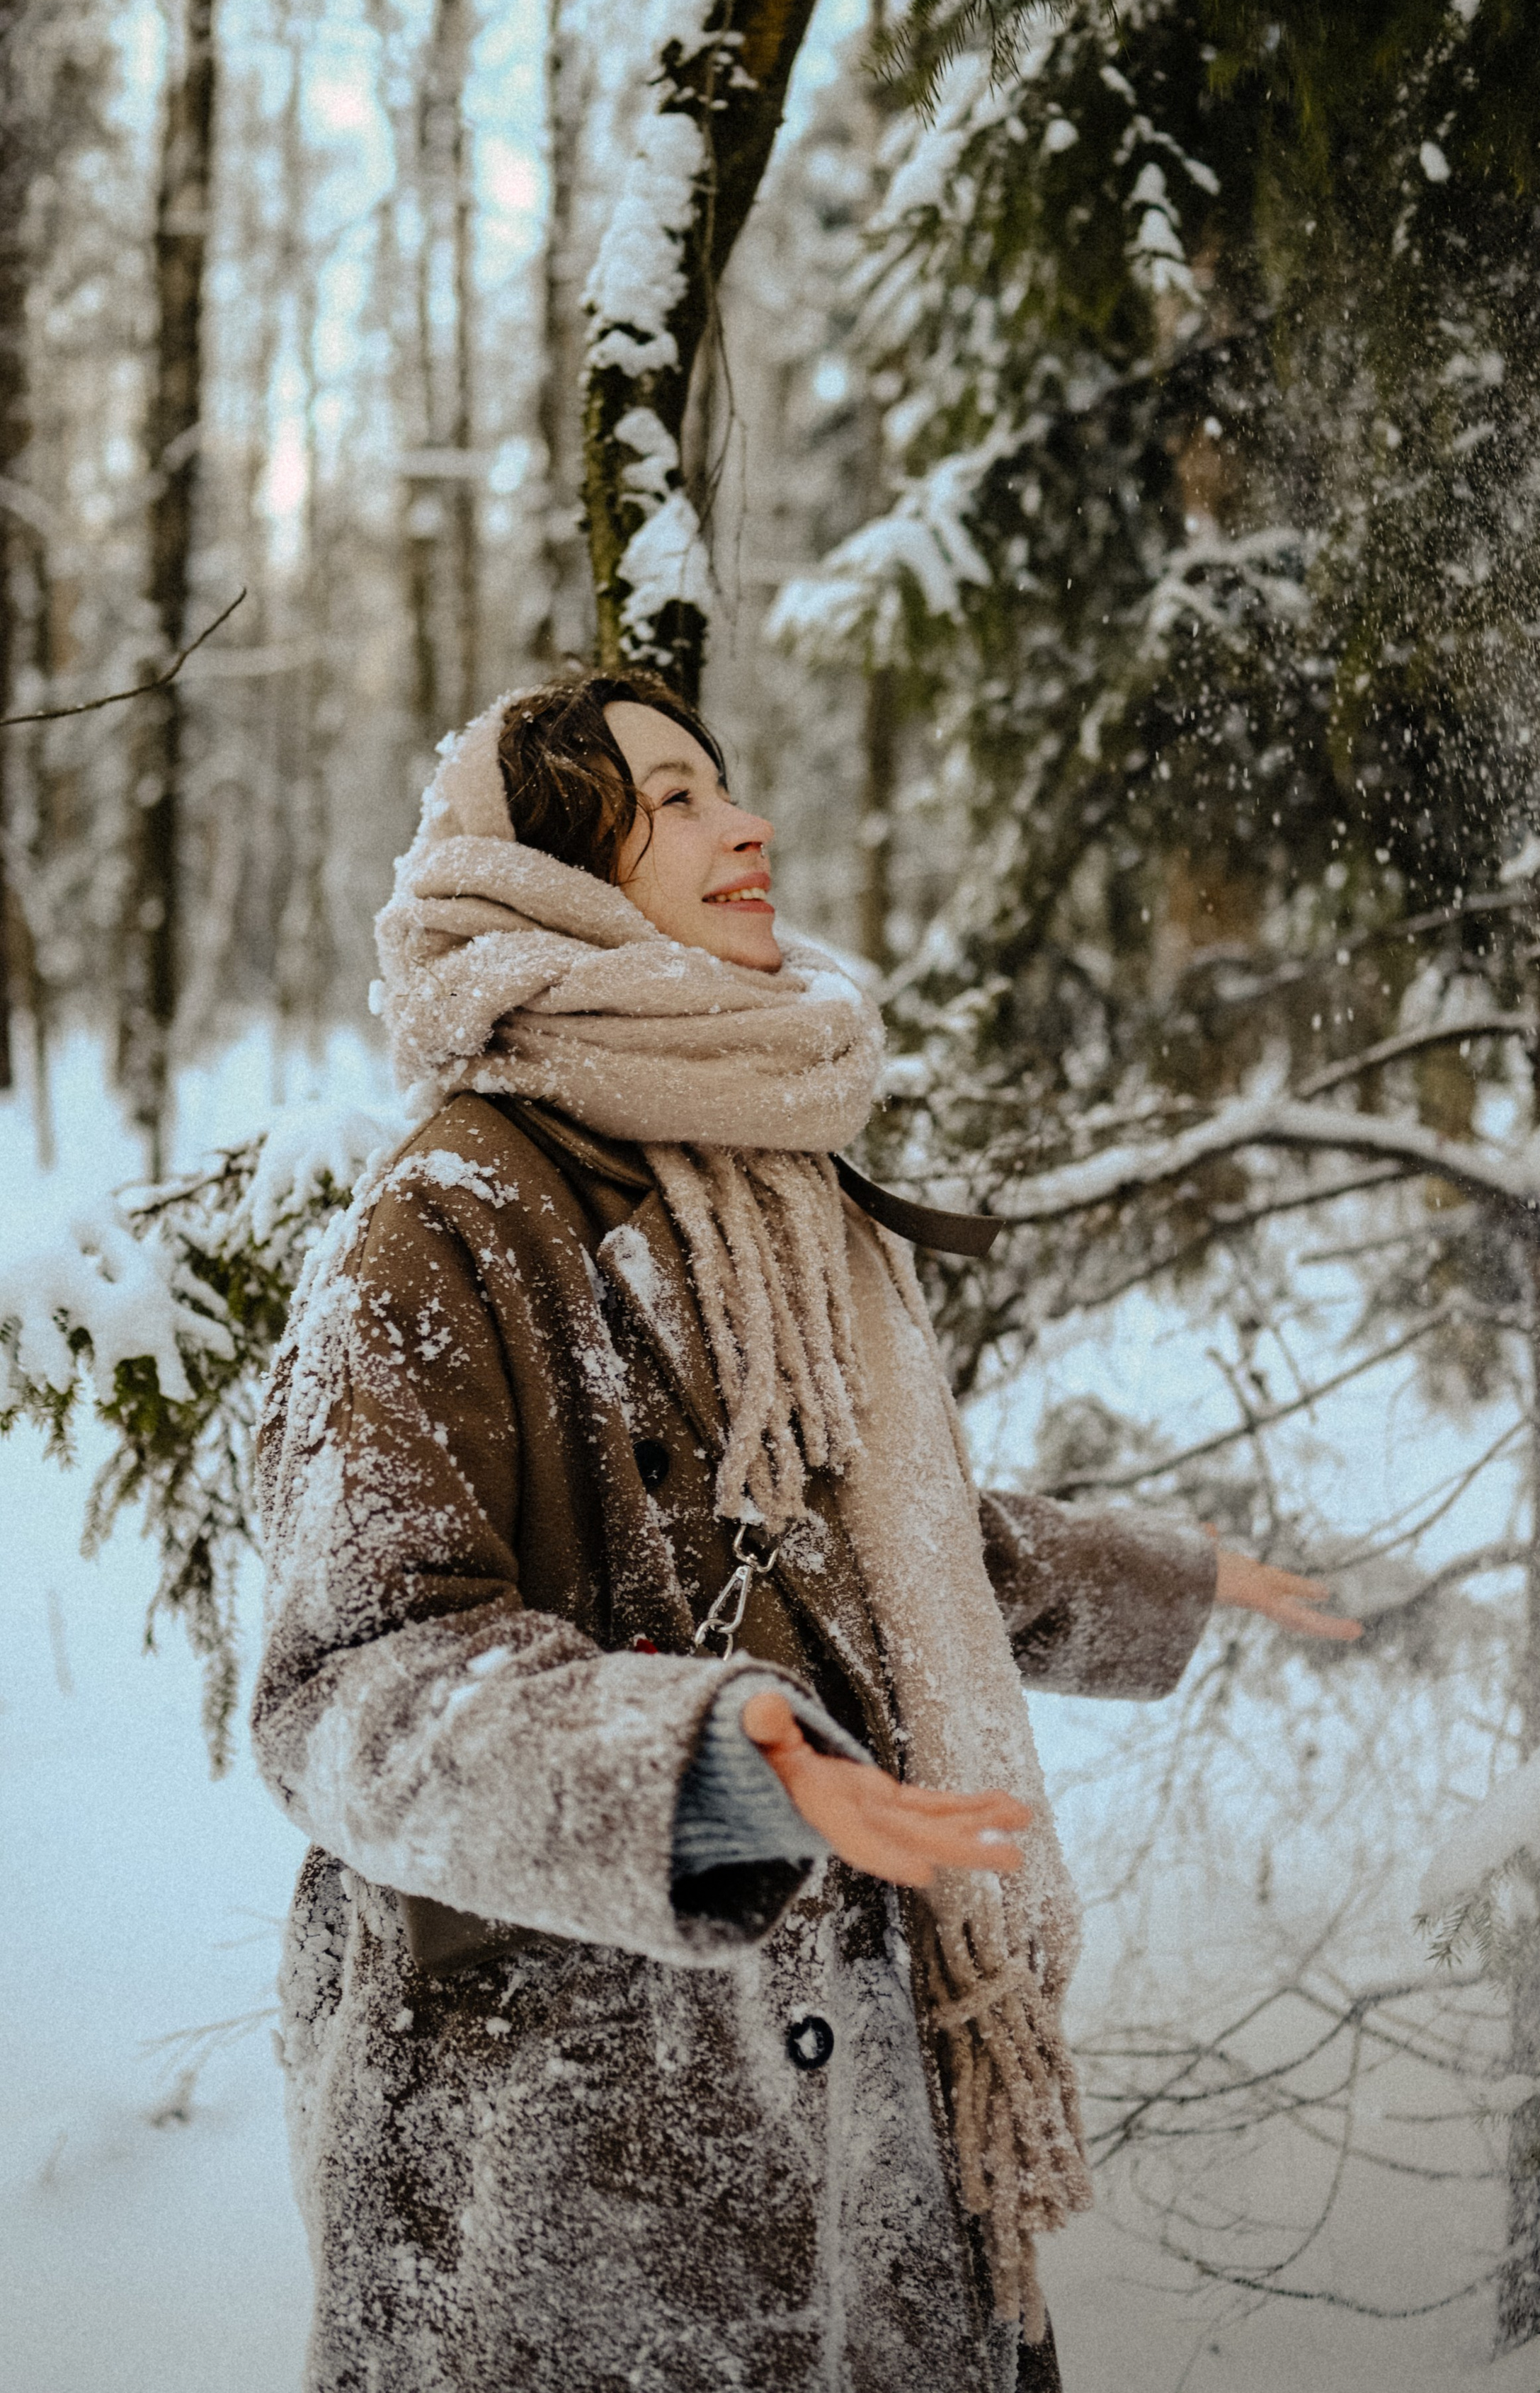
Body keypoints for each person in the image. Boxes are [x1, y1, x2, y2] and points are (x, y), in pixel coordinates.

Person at [251, 670, 1359, 2393]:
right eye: (673, 798)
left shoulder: (771, 1183)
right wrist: (697, 1769)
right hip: (580, 2172)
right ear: (545, 880)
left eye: (725, 784)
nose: (745, 823)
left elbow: (874, 1550)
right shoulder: (444, 1223)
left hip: (873, 2130)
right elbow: (355, 1684)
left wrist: (1173, 1577)